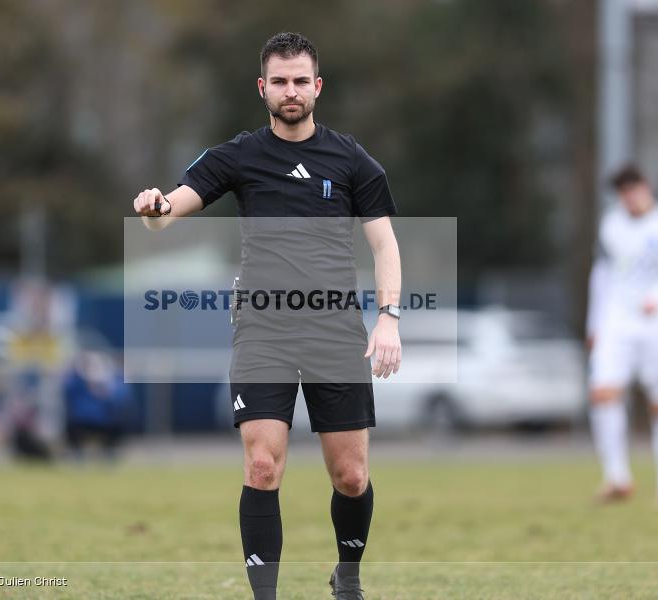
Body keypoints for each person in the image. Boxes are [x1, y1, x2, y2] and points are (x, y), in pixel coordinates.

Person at [133, 32, 402, 600]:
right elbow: (172, 207)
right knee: (262, 467)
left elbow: (385, 246)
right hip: (263, 330)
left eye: (301, 80)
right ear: (262, 88)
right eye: (279, 81)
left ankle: (347, 575)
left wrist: (389, 319)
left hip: (334, 330)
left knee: (351, 477)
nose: (291, 91)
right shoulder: (239, 155)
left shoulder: (352, 160)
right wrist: (154, 209)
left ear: (317, 87)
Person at [586, 164, 658, 507]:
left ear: (645, 187)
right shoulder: (611, 224)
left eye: (633, 189)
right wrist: (595, 324)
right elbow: (601, 277)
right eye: (623, 191)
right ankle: (617, 477)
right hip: (618, 321)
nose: (629, 197)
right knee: (603, 392)